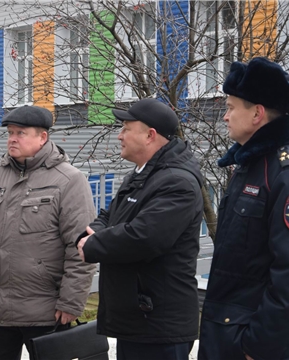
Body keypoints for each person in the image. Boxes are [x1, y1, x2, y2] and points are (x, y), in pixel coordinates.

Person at [0, 105, 97, 360]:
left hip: (47, 311)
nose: (12, 138)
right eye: (10, 132)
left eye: (20, 133)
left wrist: (71, 301)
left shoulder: (68, 181)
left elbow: (81, 246)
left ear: (42, 137)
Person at [77, 98, 203, 360]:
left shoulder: (177, 183)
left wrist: (92, 245)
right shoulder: (142, 174)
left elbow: (144, 237)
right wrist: (93, 233)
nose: (119, 136)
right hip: (138, 319)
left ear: (150, 135)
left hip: (159, 325)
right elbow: (109, 216)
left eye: (126, 128)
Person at [198, 58, 289, 359]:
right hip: (226, 337)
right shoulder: (251, 166)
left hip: (252, 346)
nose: (225, 117)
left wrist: (257, 346)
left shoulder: (288, 174)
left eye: (231, 107)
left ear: (257, 113)